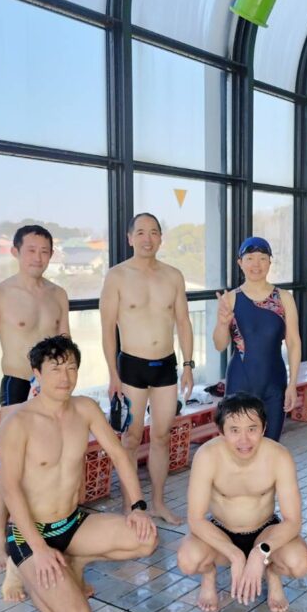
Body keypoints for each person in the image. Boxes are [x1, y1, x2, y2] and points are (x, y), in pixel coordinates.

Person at [0, 335, 157, 612]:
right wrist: (40, 550)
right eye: (55, 369)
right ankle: (23, 570)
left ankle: (75, 561)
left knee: (146, 539)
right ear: (37, 373)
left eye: (71, 368)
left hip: (71, 524)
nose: (65, 377)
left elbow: (120, 455)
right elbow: (10, 490)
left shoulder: (85, 408)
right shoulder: (18, 423)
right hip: (28, 534)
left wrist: (138, 507)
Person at [0, 224, 70, 569]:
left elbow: (66, 348)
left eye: (45, 251)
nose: (38, 257)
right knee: (9, 468)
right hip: (17, 386)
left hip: (52, 389)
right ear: (15, 252)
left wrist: (68, 388)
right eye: (31, 250)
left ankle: (45, 532)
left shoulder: (58, 294)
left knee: (50, 459)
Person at [177, 393, 307, 612]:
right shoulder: (207, 456)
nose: (244, 440)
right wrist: (235, 554)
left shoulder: (279, 456)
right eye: (234, 430)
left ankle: (273, 573)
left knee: (299, 563)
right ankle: (209, 575)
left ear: (264, 428)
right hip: (221, 531)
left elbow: (293, 521)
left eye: (252, 429)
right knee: (188, 560)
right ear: (221, 431)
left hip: (264, 531)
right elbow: (196, 519)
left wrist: (260, 552)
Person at [100, 212, 194, 525]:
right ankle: (131, 506)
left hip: (166, 365)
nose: (147, 238)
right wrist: (112, 375)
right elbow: (107, 329)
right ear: (130, 238)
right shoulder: (117, 276)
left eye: (153, 232)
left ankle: (157, 503)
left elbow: (183, 322)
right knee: (130, 438)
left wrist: (188, 365)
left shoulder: (173, 276)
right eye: (140, 232)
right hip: (131, 367)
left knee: (162, 436)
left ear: (160, 238)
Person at [213, 236, 301, 441]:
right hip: (239, 384)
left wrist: (293, 384)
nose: (256, 264)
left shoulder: (283, 298)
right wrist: (223, 323)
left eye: (262, 258)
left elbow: (294, 343)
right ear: (240, 263)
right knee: (239, 446)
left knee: (270, 445)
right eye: (250, 258)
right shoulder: (230, 299)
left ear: (270, 262)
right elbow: (219, 345)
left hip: (274, 385)